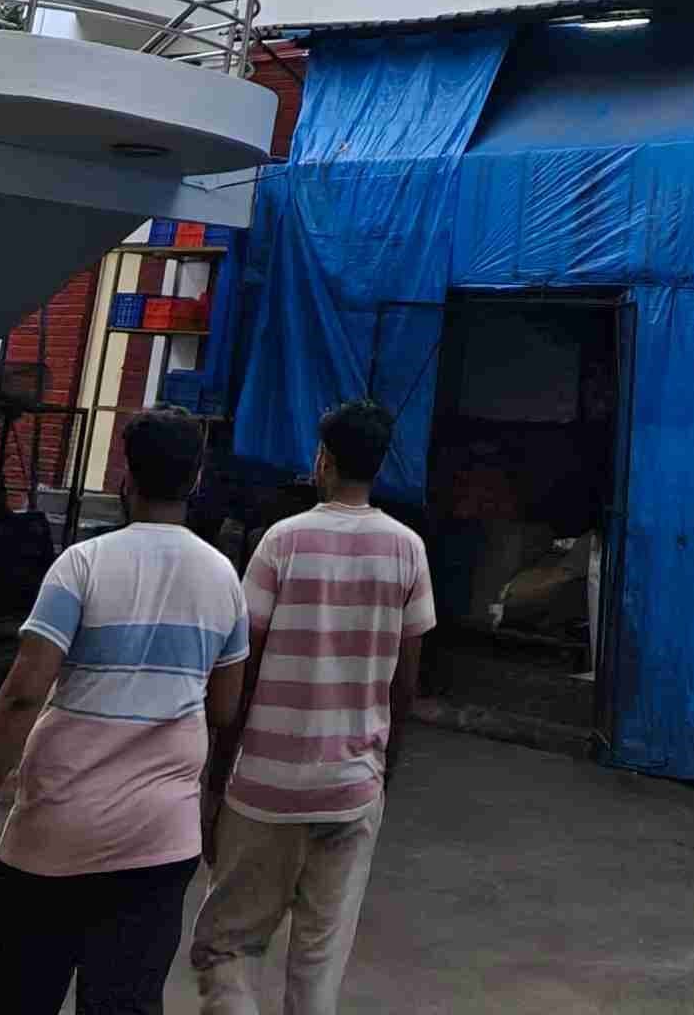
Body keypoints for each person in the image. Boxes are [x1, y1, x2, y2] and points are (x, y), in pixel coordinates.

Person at [0, 409, 250, 1015]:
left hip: (55, 831)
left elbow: (22, 697)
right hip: (160, 841)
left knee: (22, 999)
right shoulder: (223, 580)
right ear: (196, 479)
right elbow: (226, 707)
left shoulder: (81, 565)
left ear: (126, 475)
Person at [190, 398, 437, 1015]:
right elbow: (405, 686)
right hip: (353, 788)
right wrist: (386, 773)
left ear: (323, 459)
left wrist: (217, 780)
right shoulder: (408, 550)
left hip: (265, 787)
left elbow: (239, 670)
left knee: (226, 947)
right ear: (378, 465)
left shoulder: (282, 542)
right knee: (318, 964)